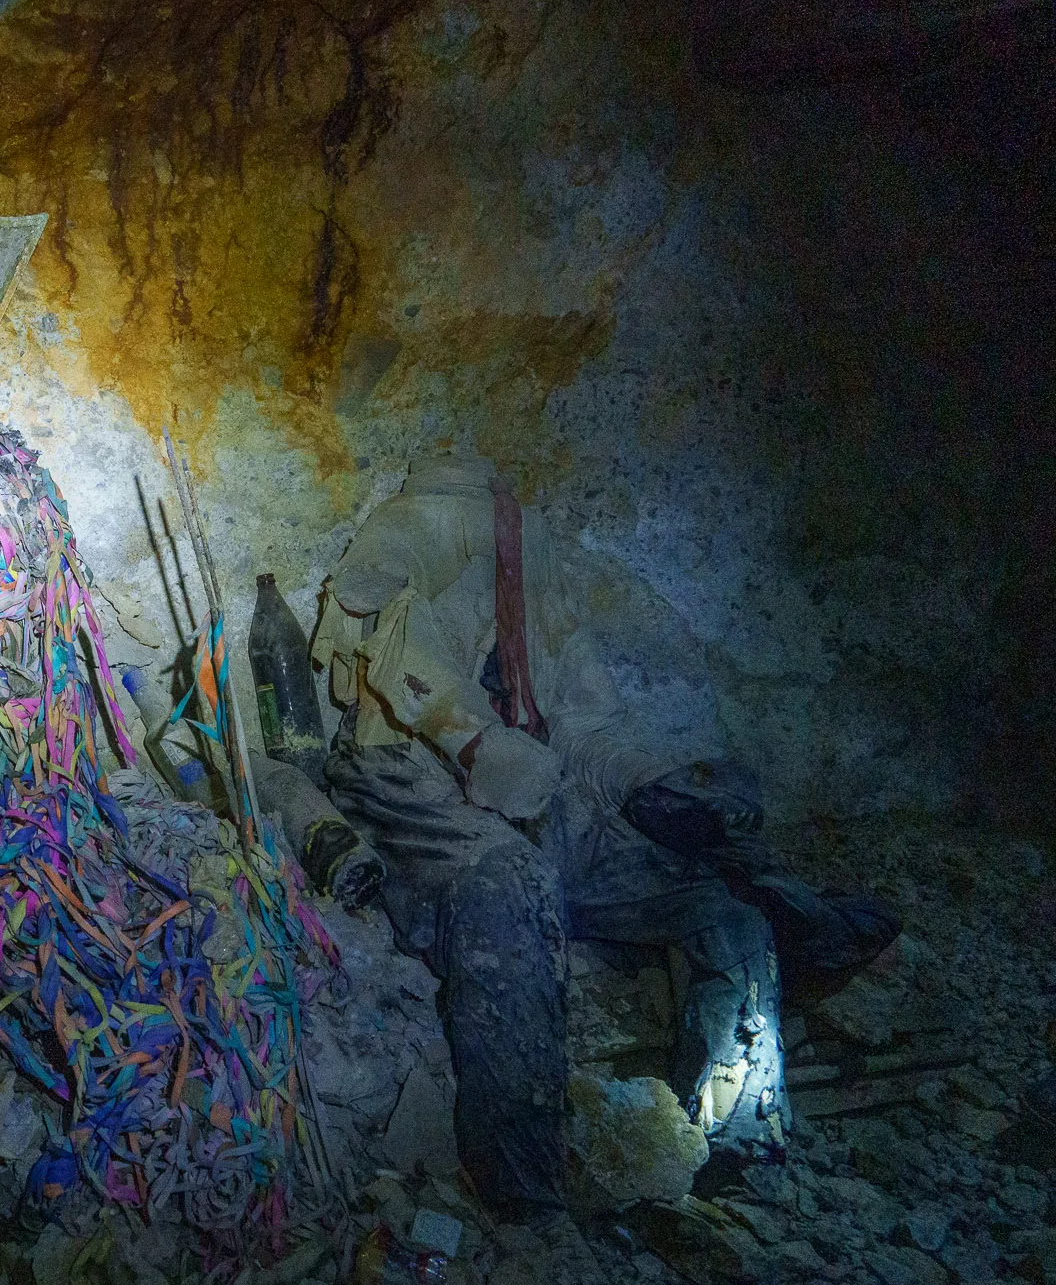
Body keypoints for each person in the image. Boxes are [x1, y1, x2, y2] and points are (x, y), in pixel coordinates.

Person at [309, 452, 898, 1215]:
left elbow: (588, 714)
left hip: (538, 782)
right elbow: (388, 631)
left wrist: (655, 783)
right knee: (511, 888)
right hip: (410, 777)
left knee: (722, 909)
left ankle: (738, 1142)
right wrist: (474, 738)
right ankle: (524, 1192)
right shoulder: (421, 520)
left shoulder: (533, 544)